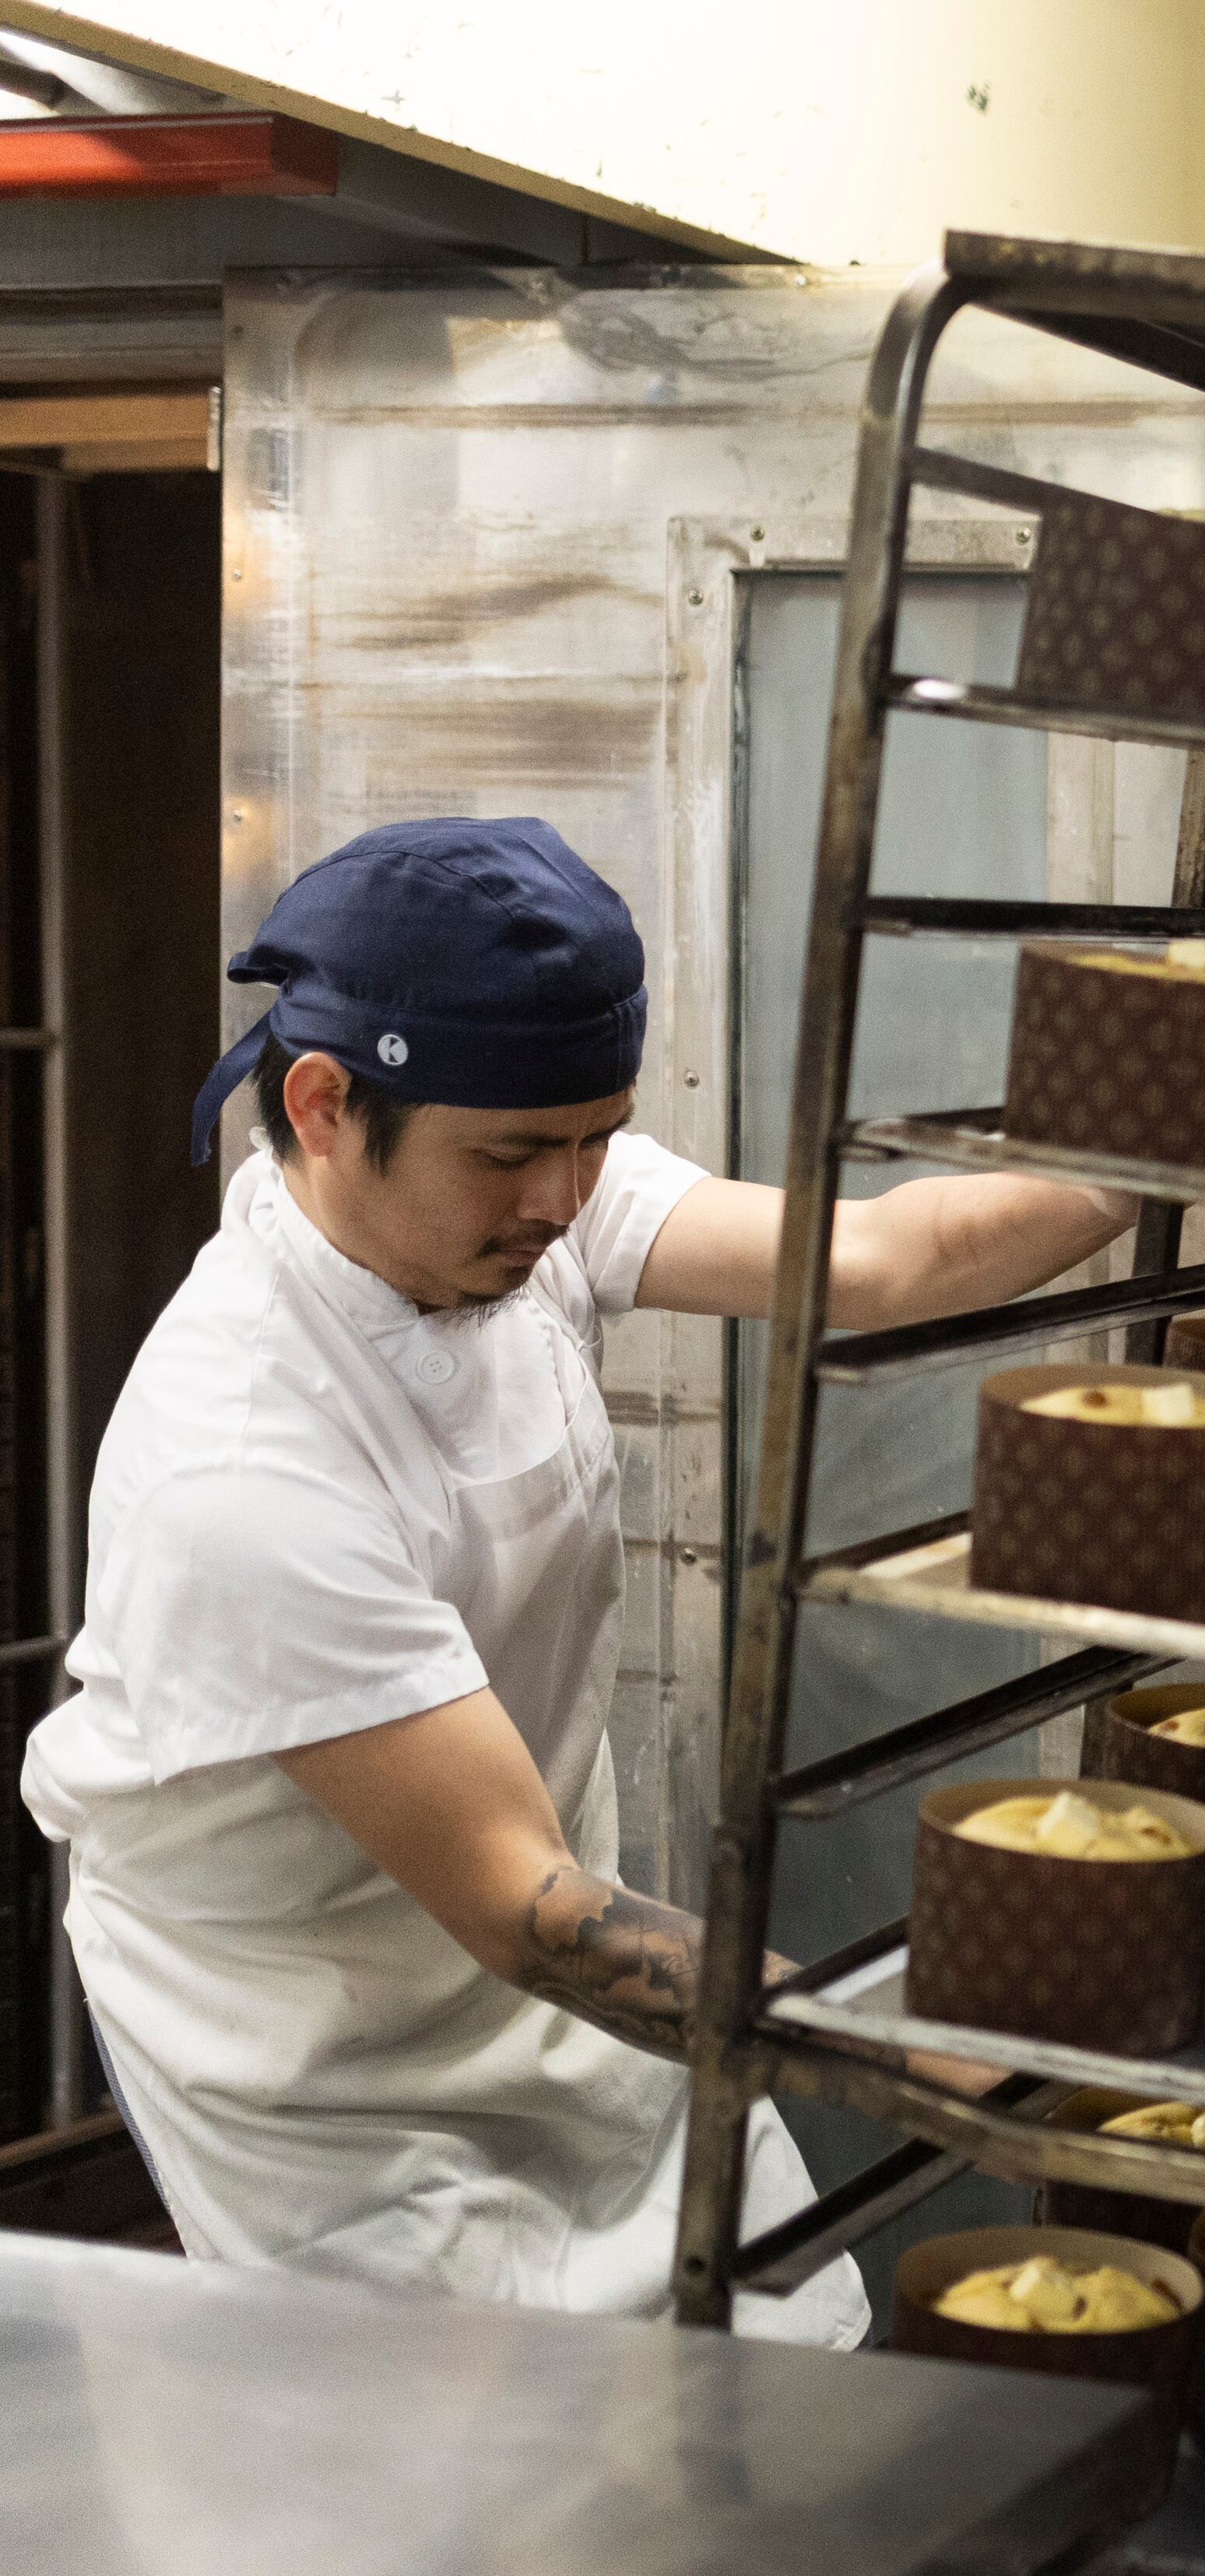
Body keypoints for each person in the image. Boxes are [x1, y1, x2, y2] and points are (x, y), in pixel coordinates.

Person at [19, 817, 1141, 2342]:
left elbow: (888, 1257)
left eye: (596, 1135)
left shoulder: (526, 1191)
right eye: (511, 1154)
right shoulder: (244, 1459)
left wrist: (1171, 1137)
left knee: (760, 2359)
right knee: (476, 2461)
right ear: (324, 1102)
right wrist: (942, 2062)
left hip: (548, 1938)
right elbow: (525, 1912)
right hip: (320, 2031)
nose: (563, 1198)